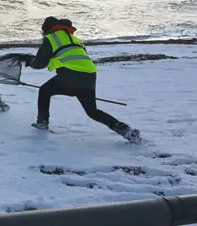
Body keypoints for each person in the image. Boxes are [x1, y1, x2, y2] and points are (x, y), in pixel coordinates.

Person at [24, 16, 141, 144]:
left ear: (47, 30)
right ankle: (126, 131)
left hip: (70, 75)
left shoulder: (51, 38)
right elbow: (71, 56)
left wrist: (30, 62)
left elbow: (40, 63)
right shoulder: (76, 40)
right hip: (89, 76)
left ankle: (42, 123)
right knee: (93, 112)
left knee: (45, 91)